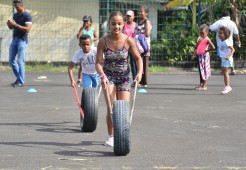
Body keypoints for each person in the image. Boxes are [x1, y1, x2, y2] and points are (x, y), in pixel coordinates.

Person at [95, 11, 143, 147]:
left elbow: (138, 58)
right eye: (113, 24)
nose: (116, 26)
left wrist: (139, 73)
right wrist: (102, 76)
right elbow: (98, 63)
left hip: (124, 78)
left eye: (119, 24)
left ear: (123, 25)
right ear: (109, 25)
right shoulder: (103, 42)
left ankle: (123, 134)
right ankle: (111, 136)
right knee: (112, 108)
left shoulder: (128, 40)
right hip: (108, 77)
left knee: (123, 109)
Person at [7, 0, 32, 87]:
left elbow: (28, 29)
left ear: (22, 5)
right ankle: (19, 79)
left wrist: (16, 24)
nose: (16, 9)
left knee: (20, 61)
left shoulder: (27, 16)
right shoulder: (15, 15)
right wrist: (9, 24)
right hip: (14, 40)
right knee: (11, 60)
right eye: (15, 7)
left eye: (17, 7)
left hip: (22, 40)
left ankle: (20, 82)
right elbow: (12, 27)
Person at [209, 10, 241, 75]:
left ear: (222, 16)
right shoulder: (232, 23)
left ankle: (223, 70)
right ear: (229, 16)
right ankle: (233, 70)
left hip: (221, 42)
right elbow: (236, 33)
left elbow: (210, 28)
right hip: (230, 42)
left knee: (222, 55)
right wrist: (238, 41)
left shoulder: (219, 22)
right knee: (230, 56)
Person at [76, 15, 98, 86]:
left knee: (92, 64)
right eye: (84, 21)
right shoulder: (82, 29)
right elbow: (78, 36)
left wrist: (91, 39)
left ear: (90, 22)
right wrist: (82, 28)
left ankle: (93, 79)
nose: (85, 22)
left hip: (91, 50)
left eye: (87, 21)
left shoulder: (93, 29)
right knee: (82, 65)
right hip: (83, 50)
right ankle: (79, 79)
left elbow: (96, 37)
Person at [193, 24, 215, 90]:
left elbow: (213, 47)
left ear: (207, 33)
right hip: (200, 56)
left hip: (205, 57)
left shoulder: (207, 39)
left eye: (203, 33)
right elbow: (196, 47)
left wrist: (206, 50)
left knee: (205, 70)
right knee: (201, 70)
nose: (201, 35)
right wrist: (198, 43)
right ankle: (202, 85)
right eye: (200, 33)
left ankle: (204, 86)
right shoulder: (199, 38)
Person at [134, 6, 152, 88]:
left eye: (142, 11)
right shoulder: (137, 21)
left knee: (144, 63)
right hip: (138, 45)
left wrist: (140, 35)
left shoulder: (147, 22)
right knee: (138, 62)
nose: (140, 13)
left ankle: (144, 82)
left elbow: (147, 33)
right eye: (139, 11)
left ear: (146, 13)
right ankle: (139, 80)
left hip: (144, 46)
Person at [218, 26, 235, 94]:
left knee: (225, 72)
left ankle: (228, 86)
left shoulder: (226, 42)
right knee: (224, 73)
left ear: (225, 35)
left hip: (227, 59)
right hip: (223, 58)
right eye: (219, 33)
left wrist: (228, 56)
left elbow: (233, 50)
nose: (219, 34)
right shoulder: (221, 41)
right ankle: (226, 86)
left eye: (221, 33)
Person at [123, 10, 137, 86]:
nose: (128, 17)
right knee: (124, 62)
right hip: (125, 46)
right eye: (127, 16)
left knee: (133, 63)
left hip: (133, 46)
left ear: (133, 17)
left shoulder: (136, 25)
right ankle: (124, 78)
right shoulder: (123, 25)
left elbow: (137, 36)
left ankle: (135, 79)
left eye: (130, 16)